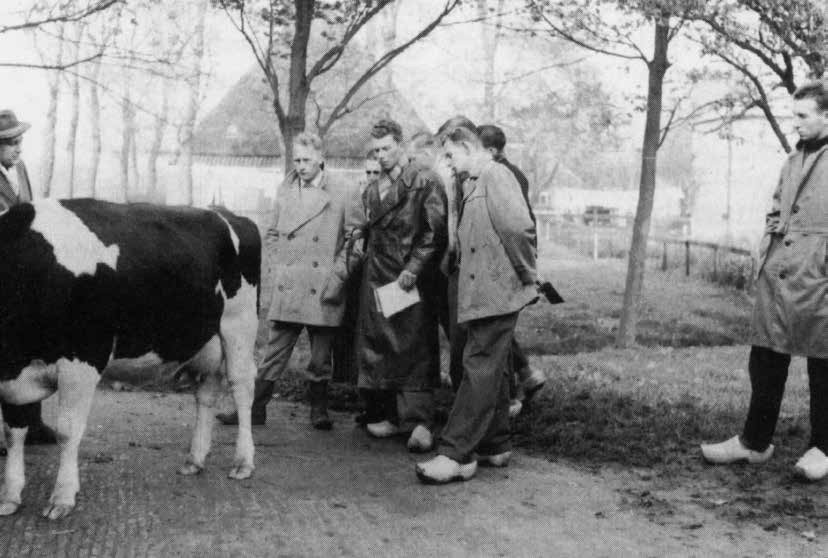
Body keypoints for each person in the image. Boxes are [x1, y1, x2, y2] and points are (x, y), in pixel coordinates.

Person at [700, 80, 828, 481]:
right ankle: (754, 442)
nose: (796, 123)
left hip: (819, 276)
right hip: (780, 274)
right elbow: (776, 211)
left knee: (824, 362)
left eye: (803, 115)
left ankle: (823, 448)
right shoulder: (792, 160)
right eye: (794, 115)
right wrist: (767, 250)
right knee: (766, 357)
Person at [416, 126, 537, 484]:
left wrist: (527, 276)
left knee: (478, 368)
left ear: (469, 147)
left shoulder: (496, 175)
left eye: (451, 155)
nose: (448, 163)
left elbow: (518, 230)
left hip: (495, 292)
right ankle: (494, 445)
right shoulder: (475, 180)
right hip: (482, 291)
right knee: (491, 367)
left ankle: (455, 453)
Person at [217, 132, 361, 430]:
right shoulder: (285, 189)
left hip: (324, 285)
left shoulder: (345, 191)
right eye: (297, 160)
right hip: (291, 283)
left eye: (307, 160)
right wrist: (281, 265)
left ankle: (318, 409)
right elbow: (272, 234)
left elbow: (356, 242)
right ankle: (254, 408)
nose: (301, 166)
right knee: (274, 352)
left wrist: (337, 277)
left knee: (320, 358)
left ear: (321, 158)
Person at [354, 119, 447, 452]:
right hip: (378, 276)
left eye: (386, 148)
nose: (380, 155)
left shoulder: (425, 180)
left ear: (401, 145)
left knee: (414, 346)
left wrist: (414, 267)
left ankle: (421, 422)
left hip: (409, 279)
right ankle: (392, 416)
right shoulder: (372, 188)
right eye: (376, 150)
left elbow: (434, 232)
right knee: (383, 345)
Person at [478, 124, 548, 417]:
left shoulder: (501, 175)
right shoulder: (511, 172)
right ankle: (525, 374)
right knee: (499, 328)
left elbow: (517, 224)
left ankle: (510, 394)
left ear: (492, 151)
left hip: (505, 262)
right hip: (511, 260)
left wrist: (526, 268)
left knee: (496, 328)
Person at [0, 109, 58, 446]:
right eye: (10, 143)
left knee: (29, 346)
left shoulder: (19, 169)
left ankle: (31, 423)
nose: (18, 148)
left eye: (19, 141)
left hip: (25, 273)